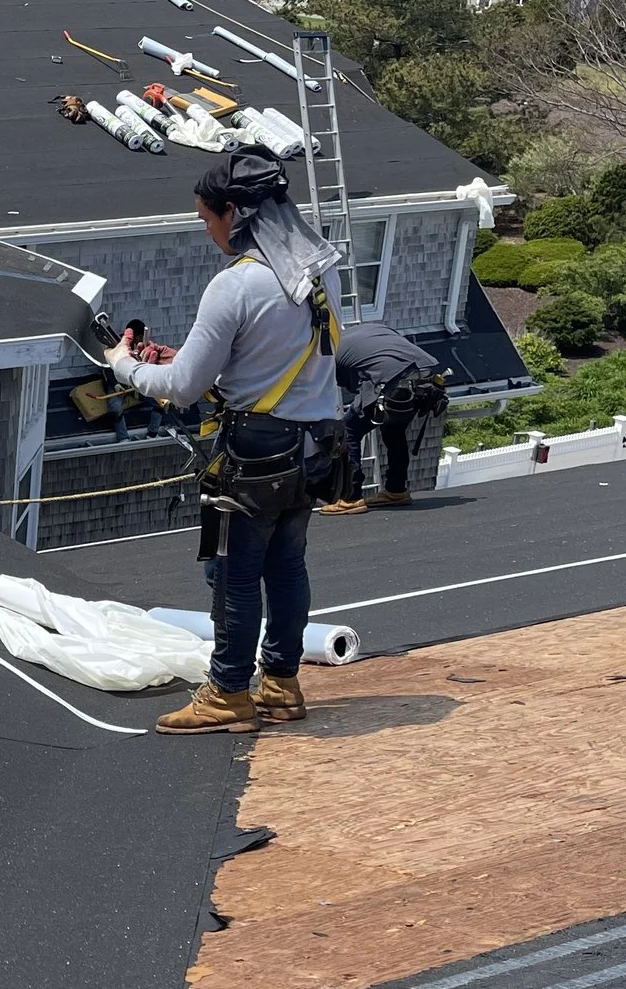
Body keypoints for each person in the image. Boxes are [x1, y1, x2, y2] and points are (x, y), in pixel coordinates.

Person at [103, 152, 345, 734]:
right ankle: (281, 685)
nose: (209, 231)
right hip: (315, 445)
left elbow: (182, 389)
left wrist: (125, 367)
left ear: (233, 213)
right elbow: (277, 358)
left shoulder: (236, 285)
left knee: (235, 574)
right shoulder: (319, 271)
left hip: (256, 454)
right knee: (287, 567)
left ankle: (228, 693)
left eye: (208, 219)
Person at [323, 319, 448, 514]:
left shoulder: (329, 351)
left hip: (395, 382)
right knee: (394, 430)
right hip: (426, 380)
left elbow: (332, 385)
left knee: (349, 431)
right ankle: (396, 490)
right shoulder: (372, 327)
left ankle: (351, 497)